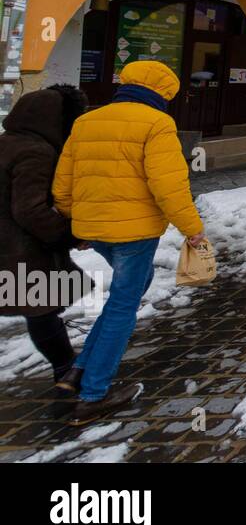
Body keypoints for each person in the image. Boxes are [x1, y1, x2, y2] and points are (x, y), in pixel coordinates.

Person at [53, 60, 206, 426]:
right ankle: (94, 394)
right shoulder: (157, 124)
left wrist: (79, 224)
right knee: (124, 306)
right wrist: (192, 228)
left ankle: (78, 370)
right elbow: (168, 185)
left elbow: (62, 184)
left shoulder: (86, 121)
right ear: (161, 93)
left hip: (94, 229)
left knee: (130, 290)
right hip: (135, 233)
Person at [0, 85, 89, 393]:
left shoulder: (7, 142)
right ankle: (66, 369)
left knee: (41, 306)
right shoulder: (36, 151)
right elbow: (30, 209)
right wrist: (65, 235)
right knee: (41, 309)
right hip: (19, 247)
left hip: (11, 244)